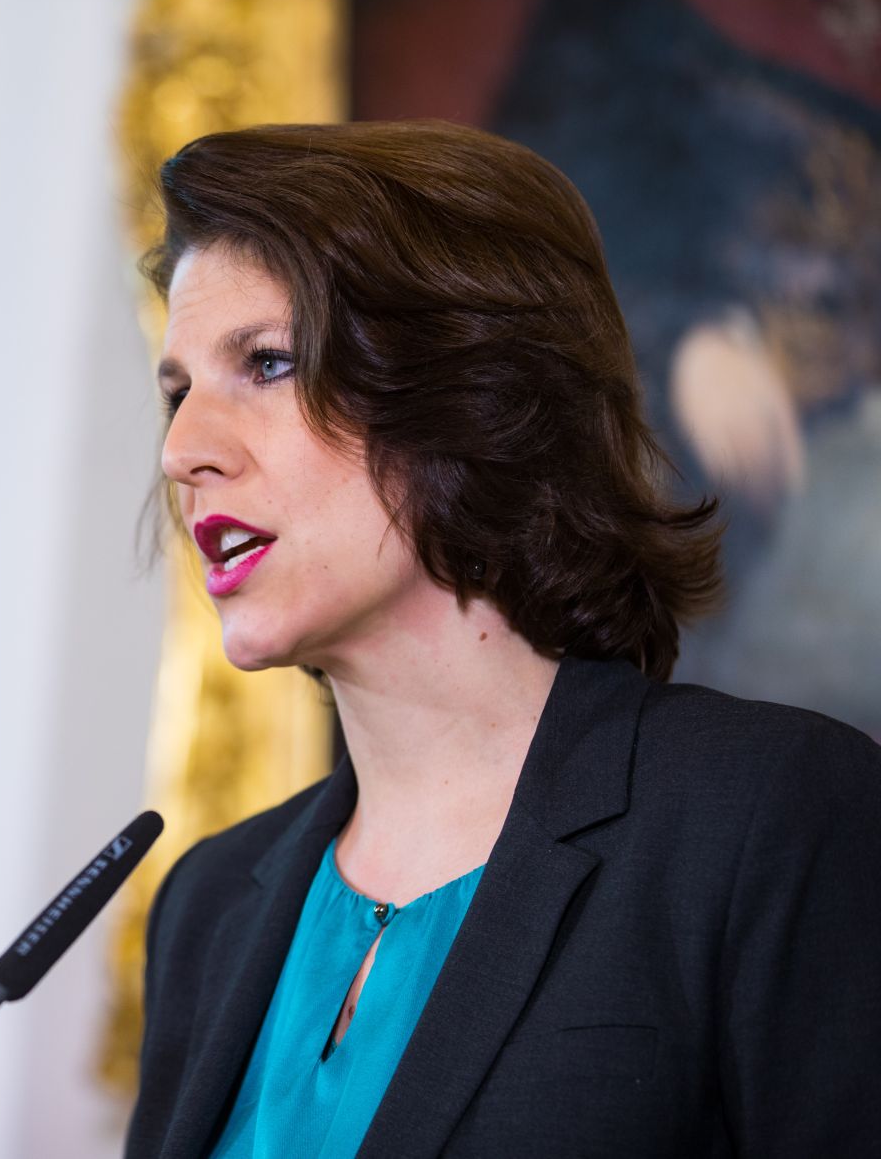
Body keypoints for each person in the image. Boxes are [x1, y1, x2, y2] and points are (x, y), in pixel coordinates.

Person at [126, 122, 881, 1158]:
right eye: (176, 392)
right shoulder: (205, 906)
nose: (182, 451)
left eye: (266, 362)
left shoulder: (766, 815)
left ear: (477, 397)